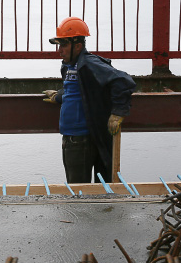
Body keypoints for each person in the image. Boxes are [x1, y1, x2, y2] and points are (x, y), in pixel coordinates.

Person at [43, 17, 136, 184]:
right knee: (79, 190)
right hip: (74, 138)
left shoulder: (89, 64)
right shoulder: (68, 65)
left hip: (83, 138)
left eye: (64, 45)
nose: (59, 50)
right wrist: (59, 96)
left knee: (80, 192)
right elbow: (80, 90)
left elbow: (122, 81)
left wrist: (117, 112)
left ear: (78, 46)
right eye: (59, 45)